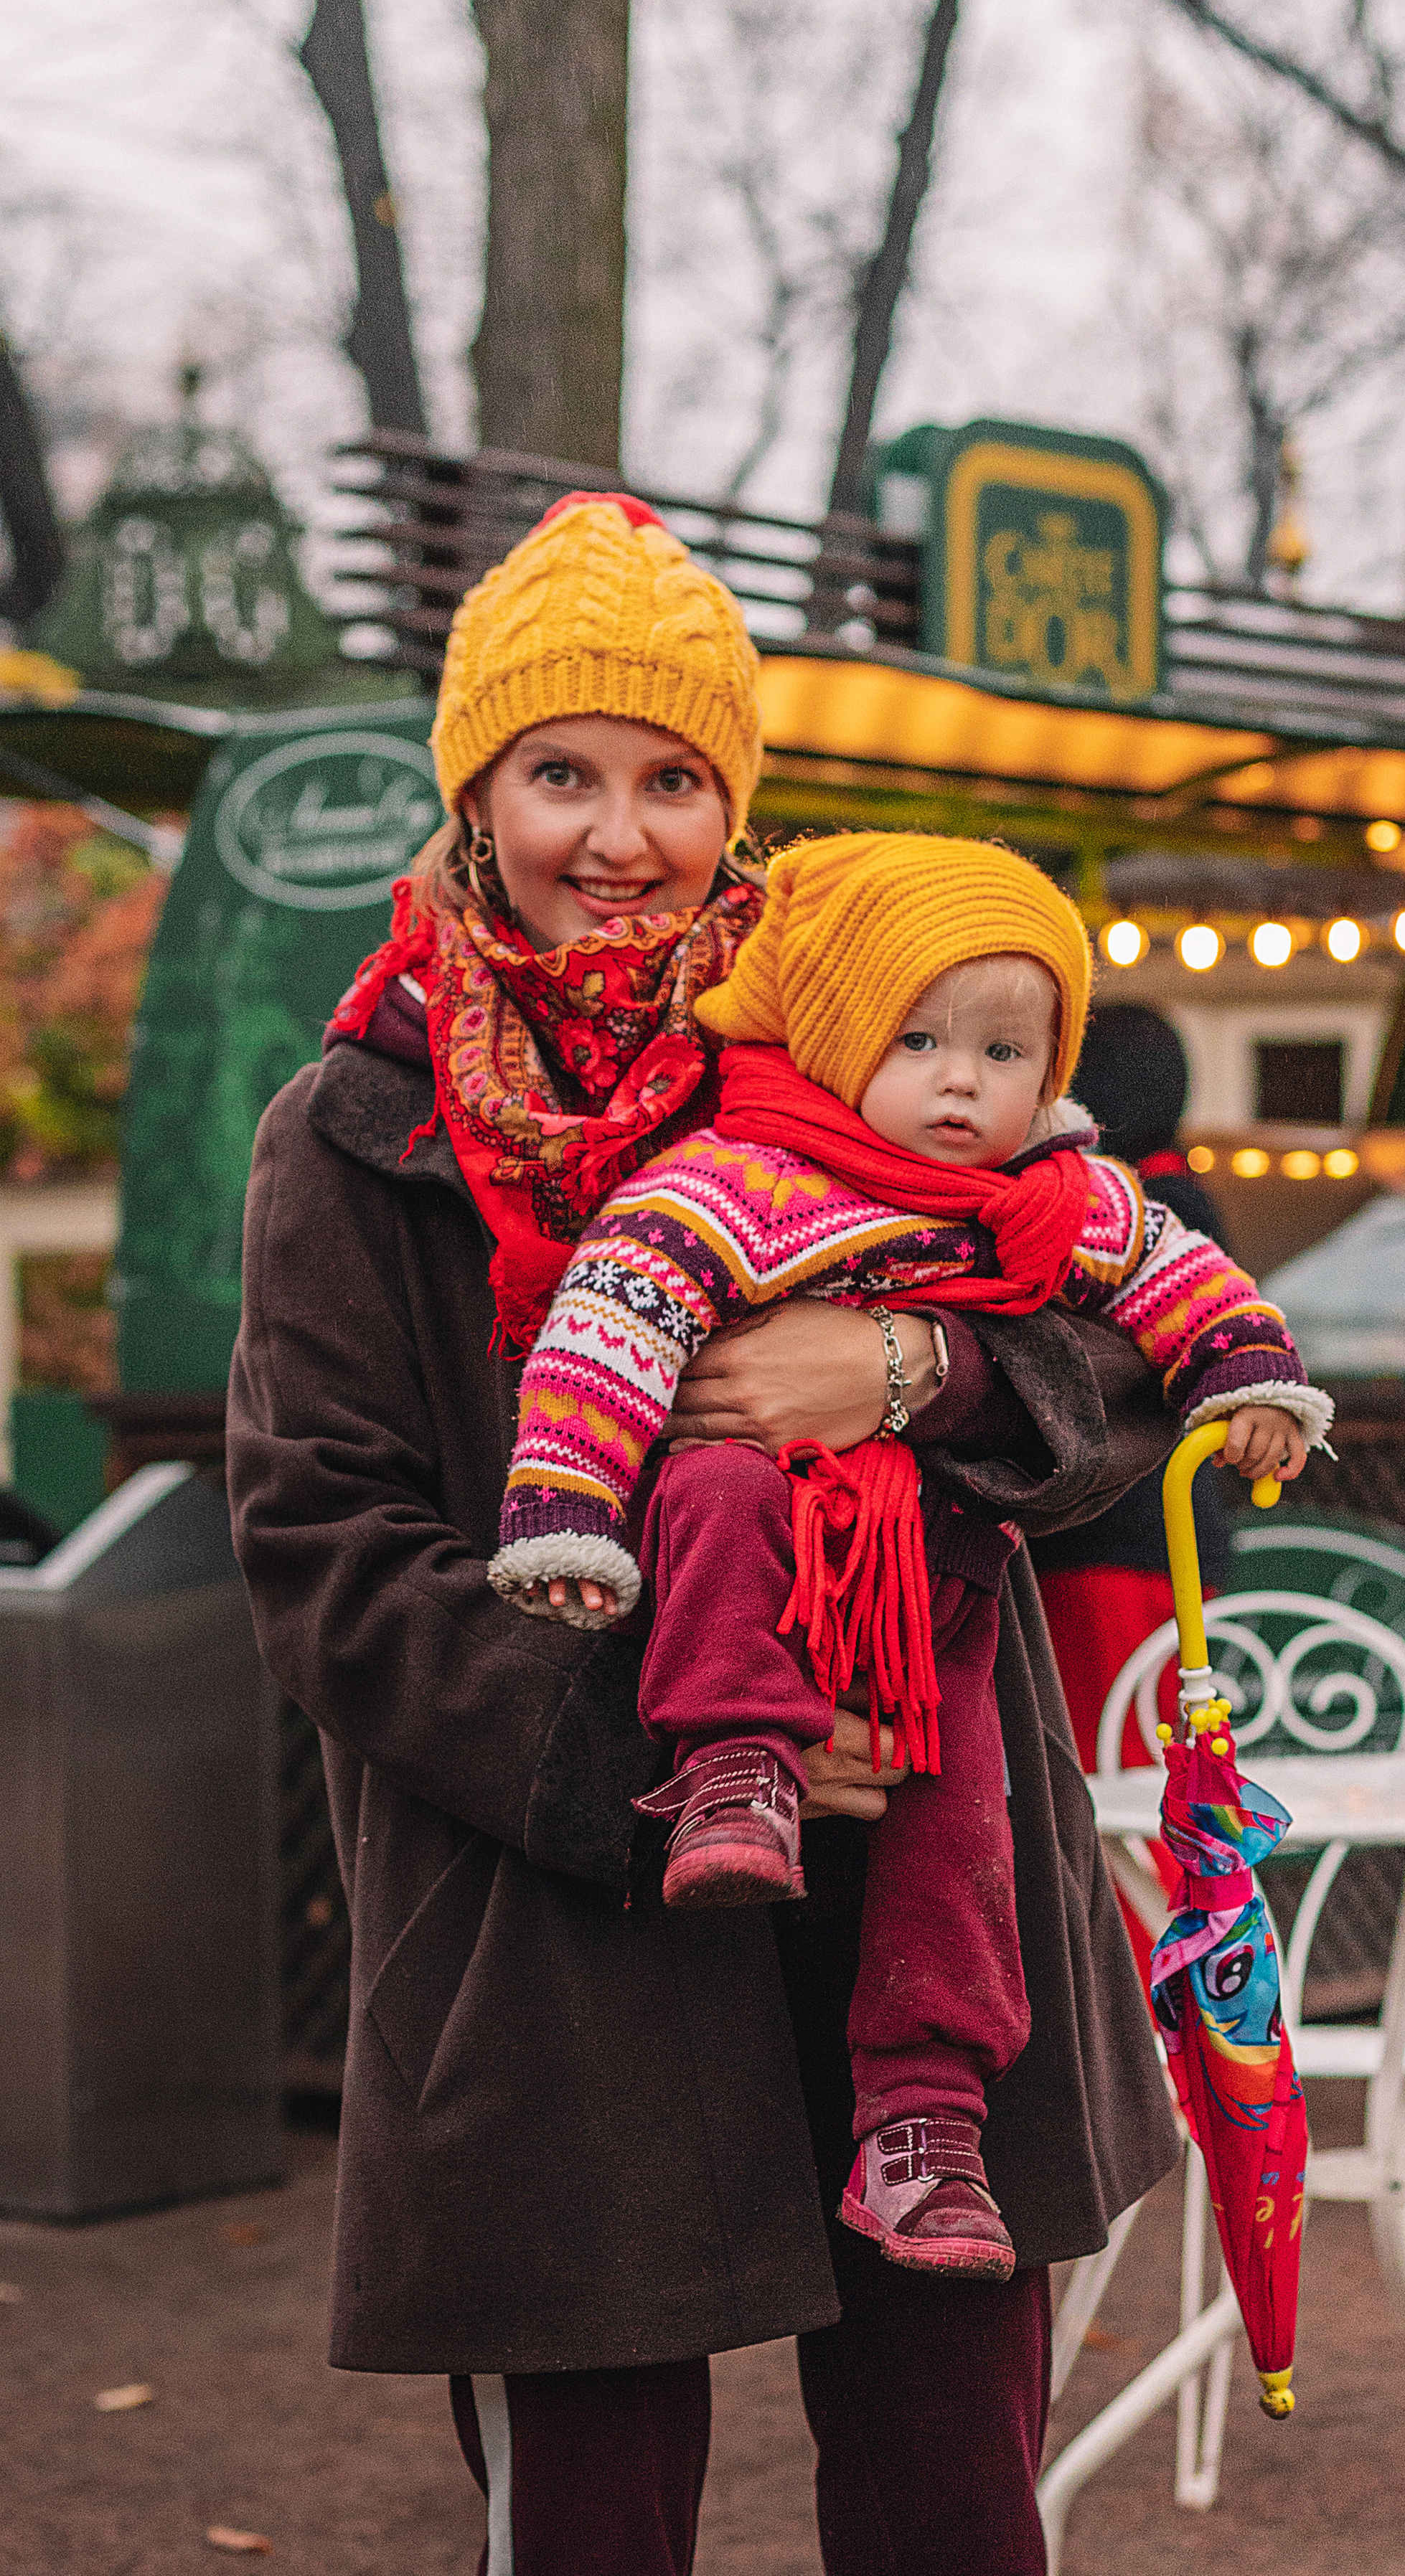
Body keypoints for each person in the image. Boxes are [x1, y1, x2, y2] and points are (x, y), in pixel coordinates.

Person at [226, 492, 1190, 2576]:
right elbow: (322, 1546)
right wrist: (644, 1741)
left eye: (674, 778)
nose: (619, 830)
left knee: (950, 2488)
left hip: (913, 1852)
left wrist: (910, 1375)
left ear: (729, 802)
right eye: (562, 770)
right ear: (474, 789)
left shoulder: (868, 1020)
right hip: (559, 1891)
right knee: (593, 2511)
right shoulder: (354, 1124)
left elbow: (1131, 1331)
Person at [488, 833, 1332, 2283]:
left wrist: (1247, 1378)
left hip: (926, 1595)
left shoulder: (1053, 1199)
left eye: (1005, 1051)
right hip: (757, 1565)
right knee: (719, 1487)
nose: (962, 1080)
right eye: (921, 1039)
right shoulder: (742, 1176)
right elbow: (612, 1318)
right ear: (833, 1038)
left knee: (960, 1848)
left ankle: (924, 2121)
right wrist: (564, 1500)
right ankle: (732, 1760)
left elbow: (1178, 1276)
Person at [1033, 1001, 1244, 1772]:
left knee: (1117, 1777)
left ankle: (1153, 1905)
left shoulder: (1140, 1214)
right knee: (1156, 1766)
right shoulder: (1187, 1198)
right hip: (1165, 1540)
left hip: (1112, 1540)